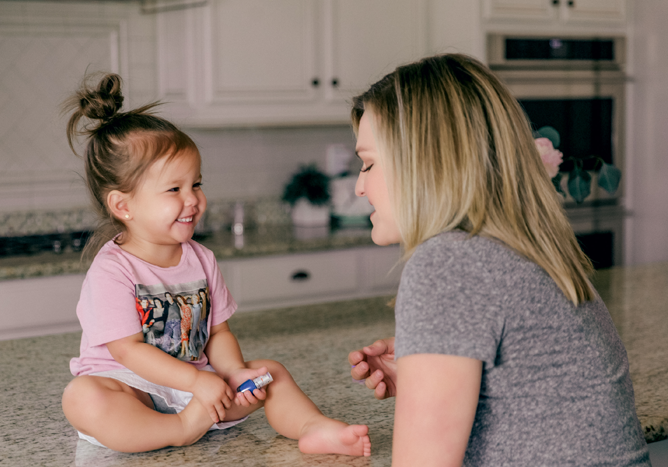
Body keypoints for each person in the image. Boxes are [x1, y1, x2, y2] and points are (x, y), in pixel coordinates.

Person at [347, 54, 649, 466]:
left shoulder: (448, 264)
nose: (359, 186)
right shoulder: (527, 249)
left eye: (368, 163)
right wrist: (433, 372)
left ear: (424, 160)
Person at [61, 73, 371, 456]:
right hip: (134, 388)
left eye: (197, 184)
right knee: (83, 397)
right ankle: (175, 429)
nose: (192, 199)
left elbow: (218, 334)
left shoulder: (200, 258)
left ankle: (316, 428)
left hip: (201, 390)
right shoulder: (112, 270)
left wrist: (234, 372)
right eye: (174, 189)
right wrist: (195, 382)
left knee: (269, 372)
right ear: (123, 206)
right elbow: (128, 351)